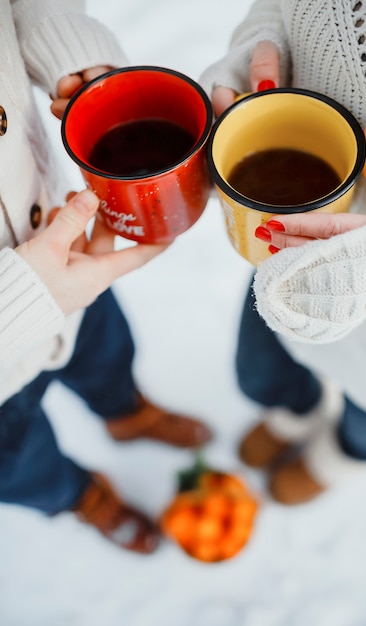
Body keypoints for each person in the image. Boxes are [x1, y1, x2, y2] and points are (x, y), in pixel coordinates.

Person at [0, 0, 212, 554]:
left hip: (65, 254)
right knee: (18, 462)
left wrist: (64, 45)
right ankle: (84, 500)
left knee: (105, 348)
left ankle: (126, 413)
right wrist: (18, 303)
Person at [201, 0, 366, 505]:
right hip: (286, 251)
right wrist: (263, 44)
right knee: (261, 370)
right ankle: (290, 412)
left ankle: (334, 460)